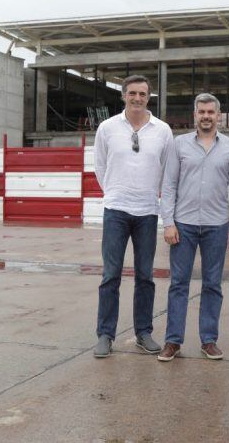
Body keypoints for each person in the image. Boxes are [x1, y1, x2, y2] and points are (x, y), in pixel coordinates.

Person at [158, 93, 229, 361]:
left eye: (211, 112)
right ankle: (173, 341)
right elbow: (169, 184)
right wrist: (168, 222)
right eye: (201, 112)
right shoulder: (178, 144)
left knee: (212, 284)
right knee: (179, 284)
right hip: (183, 225)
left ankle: (209, 340)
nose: (206, 116)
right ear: (195, 115)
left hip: (216, 225)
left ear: (219, 116)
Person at [93, 75, 173, 358]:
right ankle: (105, 334)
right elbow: (100, 166)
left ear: (148, 97)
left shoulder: (162, 130)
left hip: (147, 212)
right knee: (110, 274)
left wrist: (152, 197)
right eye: (132, 93)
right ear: (123, 95)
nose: (137, 98)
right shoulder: (107, 128)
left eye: (142, 93)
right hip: (116, 210)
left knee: (145, 275)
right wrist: (116, 191)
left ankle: (143, 332)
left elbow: (167, 170)